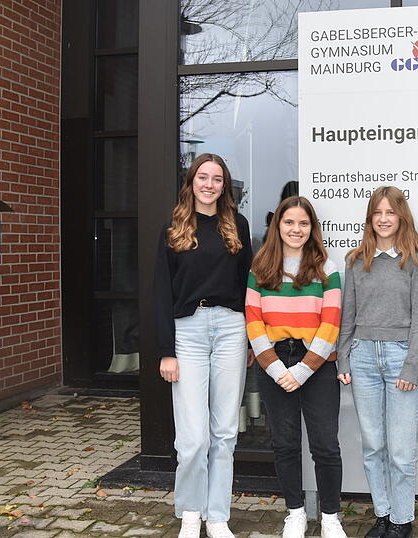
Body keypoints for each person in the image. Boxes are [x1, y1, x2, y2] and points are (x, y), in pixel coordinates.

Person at [153, 153, 253, 538]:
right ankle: (191, 513)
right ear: (191, 182)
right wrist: (166, 350)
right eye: (203, 177)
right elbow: (162, 291)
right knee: (193, 437)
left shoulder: (237, 225)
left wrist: (250, 341)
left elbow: (247, 287)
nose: (209, 184)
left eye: (217, 179)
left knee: (225, 432)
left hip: (231, 329)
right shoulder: (174, 227)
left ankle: (218, 516)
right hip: (188, 334)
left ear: (224, 185)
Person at [245, 196, 346, 538]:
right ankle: (296, 513)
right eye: (289, 222)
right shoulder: (260, 269)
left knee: (325, 446)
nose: (296, 229)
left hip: (316, 365)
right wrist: (276, 369)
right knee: (285, 444)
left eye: (303, 223)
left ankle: (330, 517)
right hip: (274, 361)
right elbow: (254, 322)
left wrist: (303, 369)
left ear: (312, 229)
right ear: (278, 226)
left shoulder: (326, 269)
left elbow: (331, 324)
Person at [336, 187, 418, 538]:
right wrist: (343, 357)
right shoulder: (356, 261)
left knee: (402, 450)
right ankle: (383, 513)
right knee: (373, 444)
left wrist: (411, 367)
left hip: (400, 357)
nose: (383, 219)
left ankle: (402, 520)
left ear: (401, 216)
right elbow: (349, 314)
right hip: (362, 358)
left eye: (390, 212)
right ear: (369, 219)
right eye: (377, 213)